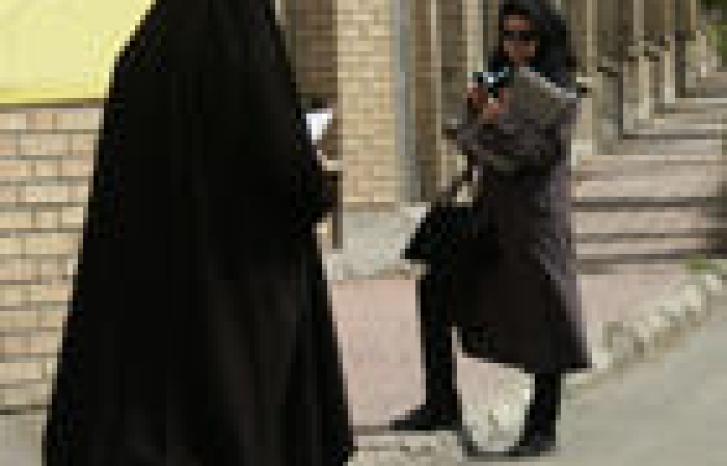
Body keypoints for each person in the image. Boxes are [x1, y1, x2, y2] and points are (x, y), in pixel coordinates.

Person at [42, 1, 355, 465]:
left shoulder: (150, 42)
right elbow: (281, 161)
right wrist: (316, 180)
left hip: (154, 300)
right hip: (237, 297)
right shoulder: (242, 28)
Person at [389, 0, 590, 459]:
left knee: (546, 315)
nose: (516, 47)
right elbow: (469, 143)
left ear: (546, 39)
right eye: (508, 36)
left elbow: (540, 155)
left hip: (534, 223)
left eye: (526, 37)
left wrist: (500, 122)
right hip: (488, 216)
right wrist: (476, 115)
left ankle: (542, 426)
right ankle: (441, 403)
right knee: (435, 289)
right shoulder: (499, 79)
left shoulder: (559, 91)